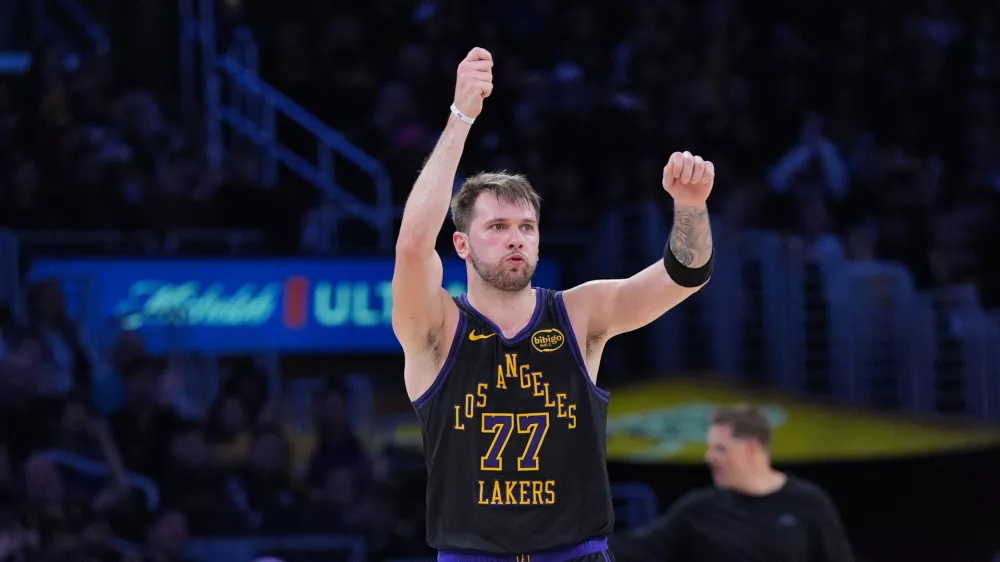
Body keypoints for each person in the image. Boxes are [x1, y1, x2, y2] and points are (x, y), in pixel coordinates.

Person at [391, 46, 715, 561]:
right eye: (497, 227)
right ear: (462, 245)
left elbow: (685, 275)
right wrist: (460, 118)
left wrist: (691, 209)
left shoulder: (579, 312)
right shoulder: (436, 326)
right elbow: (411, 247)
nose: (515, 239)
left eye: (526, 227)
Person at [609, 405, 855, 562]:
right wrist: (579, 545)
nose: (709, 457)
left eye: (720, 449)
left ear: (752, 449)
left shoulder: (809, 503)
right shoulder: (699, 510)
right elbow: (638, 549)